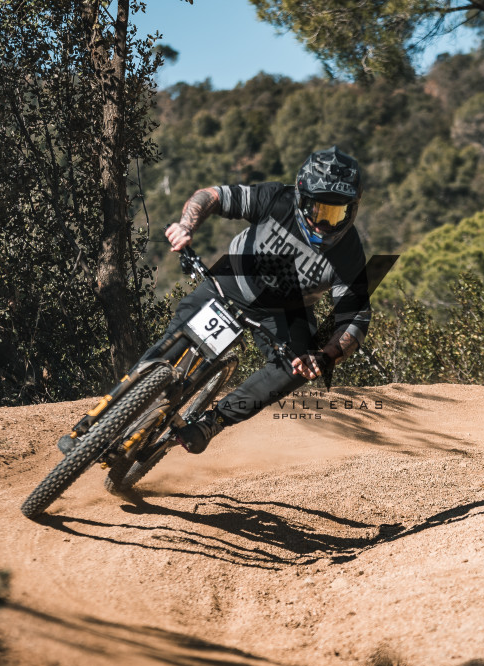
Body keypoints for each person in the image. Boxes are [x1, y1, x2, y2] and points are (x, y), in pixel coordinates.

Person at [156, 145, 372, 454]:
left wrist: (325, 357)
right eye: (319, 210)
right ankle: (123, 399)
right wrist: (186, 226)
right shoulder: (276, 199)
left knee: (296, 369)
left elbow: (355, 318)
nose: (326, 224)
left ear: (353, 209)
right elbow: (213, 195)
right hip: (233, 280)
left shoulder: (349, 252)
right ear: (301, 198)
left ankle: (212, 422)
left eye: (337, 213)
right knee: (173, 343)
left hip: (286, 311)